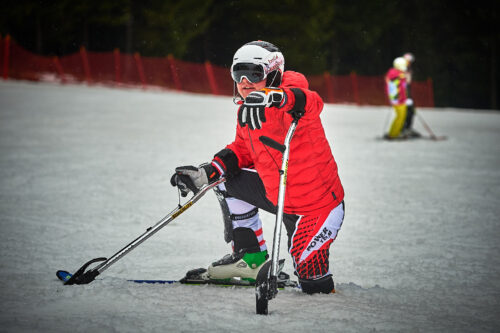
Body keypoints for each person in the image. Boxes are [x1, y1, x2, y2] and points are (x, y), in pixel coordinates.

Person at [170, 41, 345, 294]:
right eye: (237, 74)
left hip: (316, 207)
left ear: (273, 74)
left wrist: (277, 97)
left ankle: (317, 283)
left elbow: (312, 102)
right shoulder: (247, 110)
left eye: (254, 73)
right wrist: (207, 173)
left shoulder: (292, 99)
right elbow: (242, 149)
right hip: (280, 196)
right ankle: (250, 259)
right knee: (229, 179)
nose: (244, 81)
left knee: (313, 285)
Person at [384, 57, 409, 139]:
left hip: (395, 99)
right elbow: (401, 88)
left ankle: (393, 133)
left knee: (399, 117)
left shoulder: (394, 74)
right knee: (401, 117)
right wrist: (403, 98)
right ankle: (394, 134)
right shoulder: (399, 75)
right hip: (399, 99)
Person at [401, 52, 420, 137]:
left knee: (411, 111)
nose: (409, 63)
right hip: (404, 94)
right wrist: (406, 96)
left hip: (407, 93)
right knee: (407, 111)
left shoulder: (408, 69)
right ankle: (404, 128)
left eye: (410, 61)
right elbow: (403, 83)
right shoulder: (402, 69)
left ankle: (407, 128)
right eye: (408, 61)